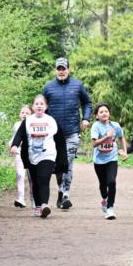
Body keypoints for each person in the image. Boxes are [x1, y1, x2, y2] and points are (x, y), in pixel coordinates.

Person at [42, 57, 92, 210]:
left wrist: (85, 118)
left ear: (68, 70)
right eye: (59, 69)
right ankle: (60, 190)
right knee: (59, 165)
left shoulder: (77, 85)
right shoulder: (48, 87)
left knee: (68, 163)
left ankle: (65, 195)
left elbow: (87, 102)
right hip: (54, 134)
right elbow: (42, 108)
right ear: (55, 70)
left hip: (72, 132)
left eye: (64, 69)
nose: (61, 71)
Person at [10, 94, 62, 219]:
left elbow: (59, 138)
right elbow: (19, 134)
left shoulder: (51, 120)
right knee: (35, 180)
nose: (39, 106)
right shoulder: (28, 121)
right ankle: (38, 205)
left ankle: (44, 205)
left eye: (41, 104)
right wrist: (15, 145)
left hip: (48, 153)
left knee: (44, 178)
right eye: (36, 104)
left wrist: (62, 157)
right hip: (32, 155)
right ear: (33, 107)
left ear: (46, 107)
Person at [89, 103, 127, 220]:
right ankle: (104, 199)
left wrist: (124, 151)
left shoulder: (115, 125)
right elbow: (94, 144)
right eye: (101, 112)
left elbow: (121, 137)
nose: (104, 113)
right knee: (103, 184)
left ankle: (110, 208)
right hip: (99, 160)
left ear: (109, 113)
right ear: (97, 116)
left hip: (112, 158)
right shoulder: (96, 126)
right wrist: (107, 136)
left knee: (112, 182)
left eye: (106, 111)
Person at [9, 104, 32, 208]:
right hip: (19, 153)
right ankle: (21, 198)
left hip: (31, 154)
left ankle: (34, 198)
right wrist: (11, 145)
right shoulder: (16, 125)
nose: (24, 114)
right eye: (22, 112)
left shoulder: (33, 124)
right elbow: (14, 138)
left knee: (32, 178)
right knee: (20, 175)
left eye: (27, 113)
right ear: (19, 114)